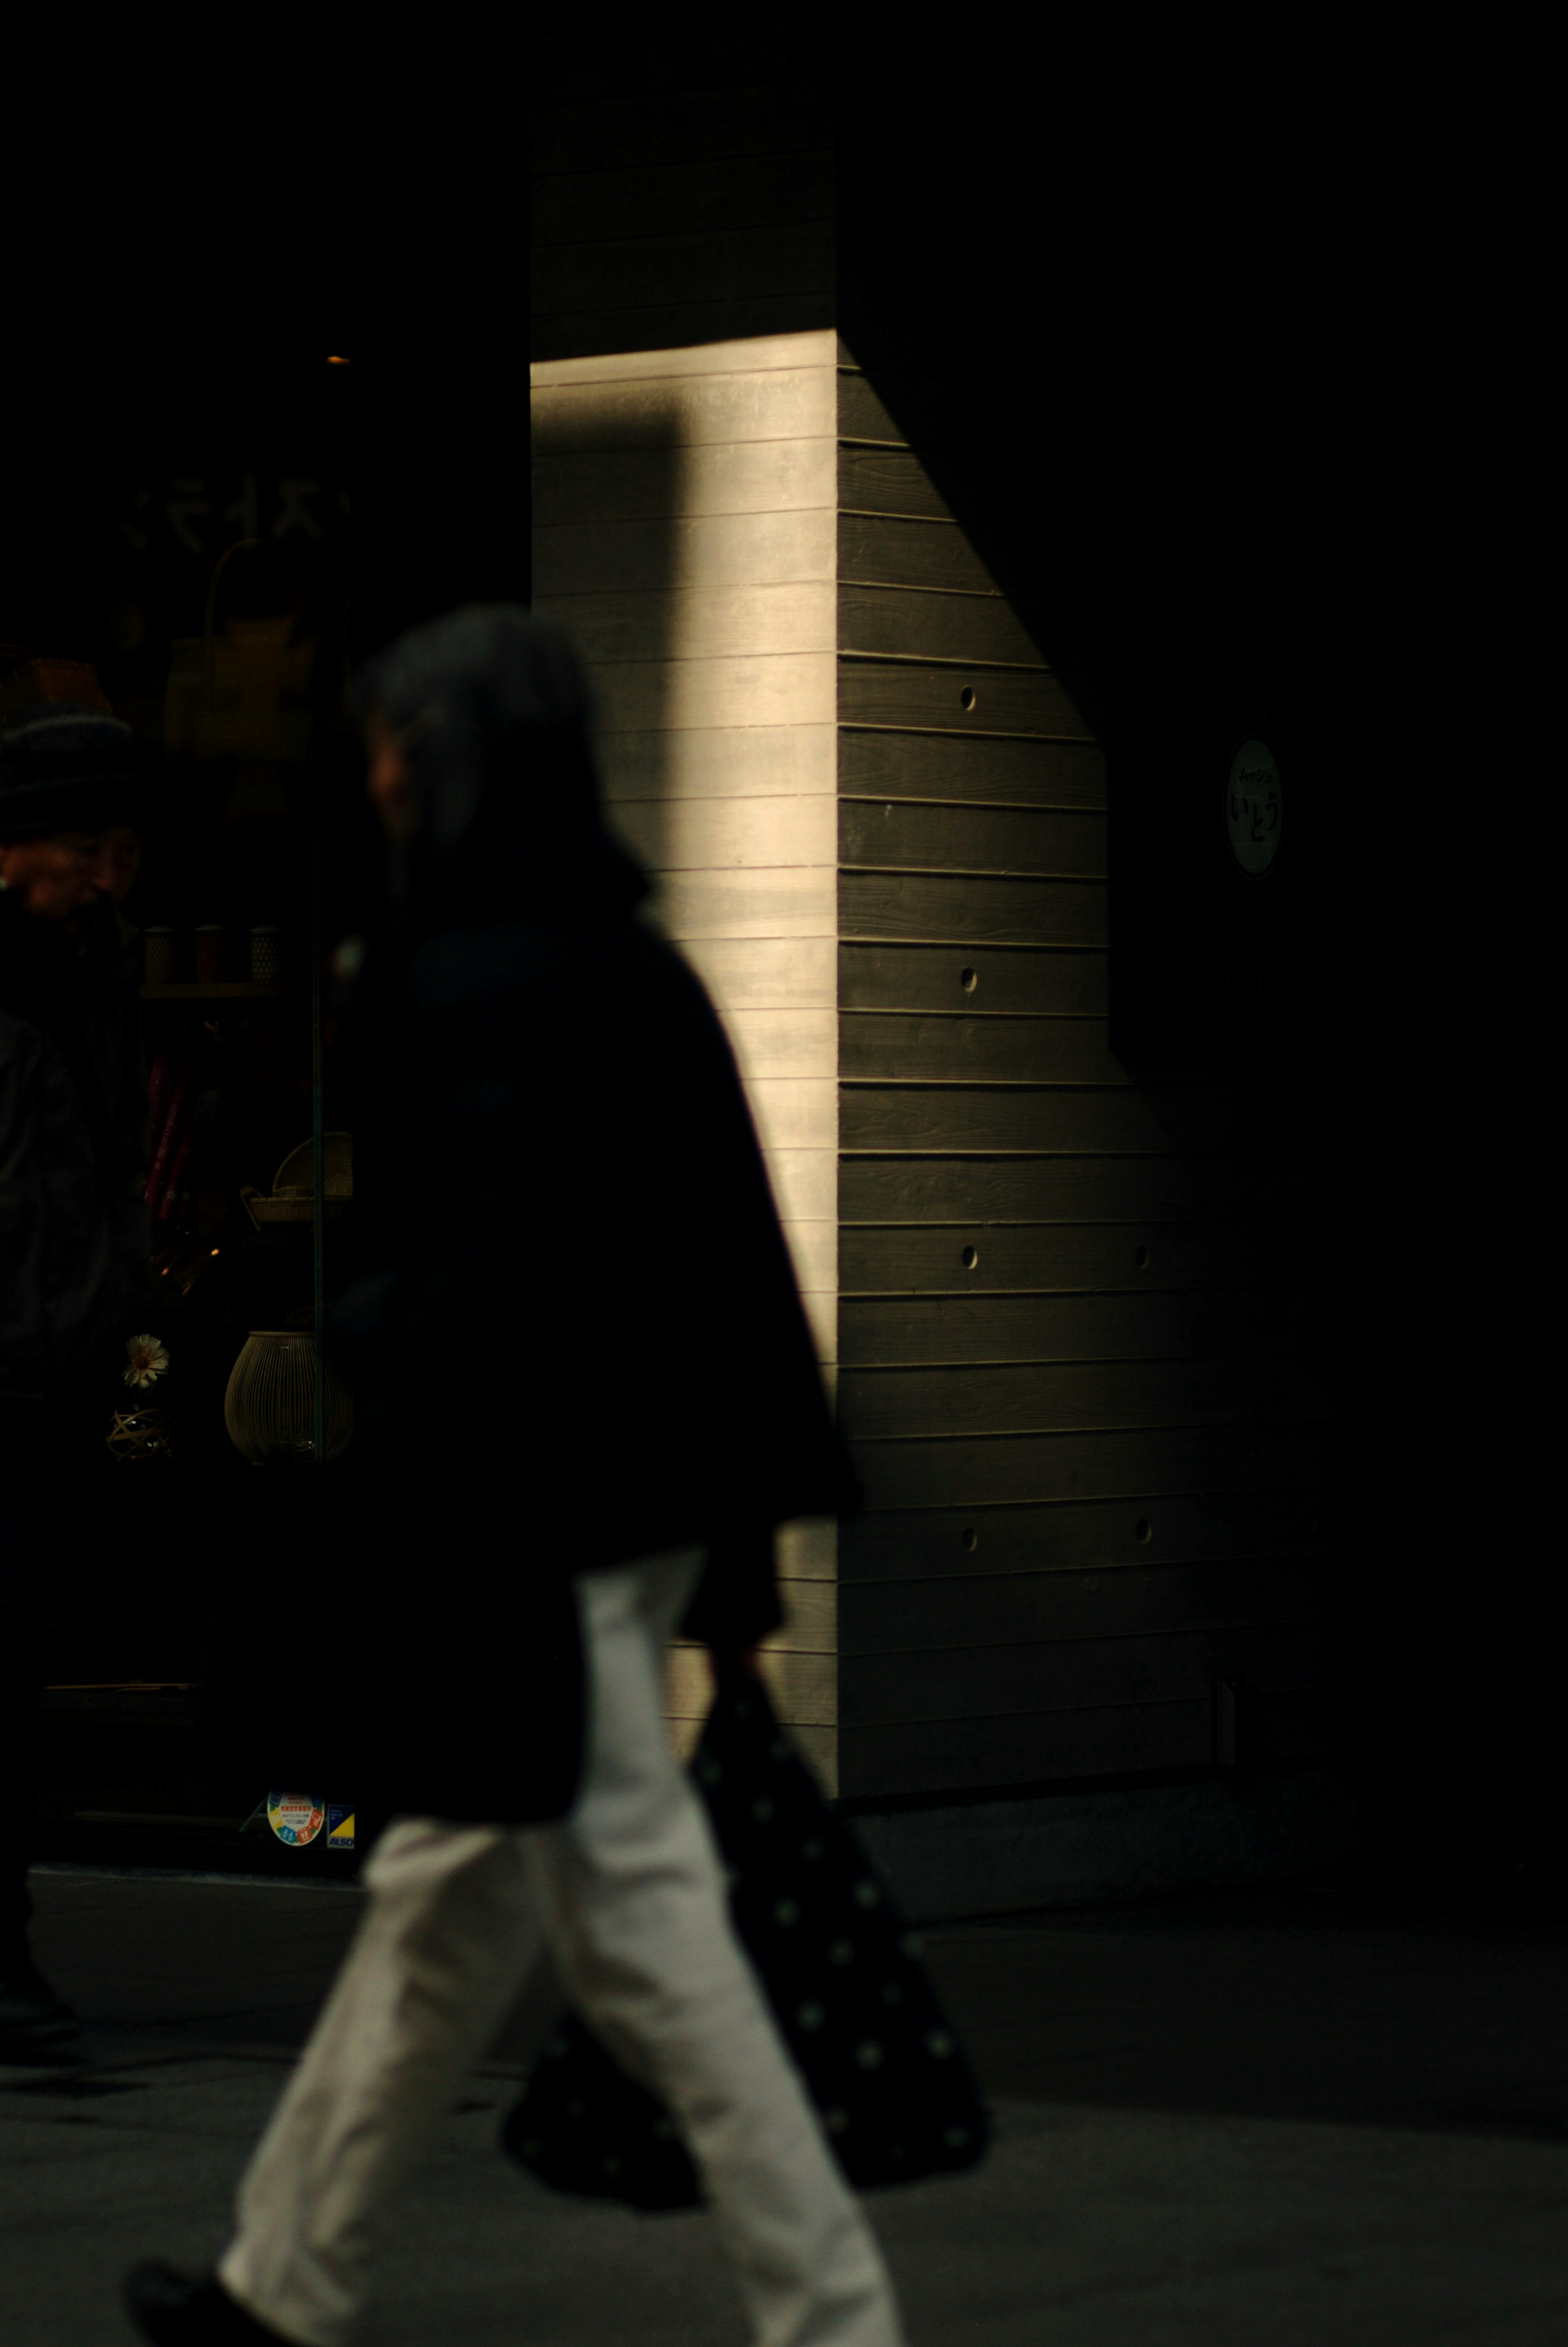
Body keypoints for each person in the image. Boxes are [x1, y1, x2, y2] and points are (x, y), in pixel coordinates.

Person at [127, 608, 908, 2347]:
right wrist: (737, 1587)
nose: (382, 765)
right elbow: (729, 1290)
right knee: (439, 1917)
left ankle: (836, 2317)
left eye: (405, 735)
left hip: (520, 1528)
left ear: (464, 757)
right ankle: (281, 2283)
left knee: (648, 1940)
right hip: (614, 1523)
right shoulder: (633, 969)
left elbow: (494, 1275)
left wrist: (362, 1331)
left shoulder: (469, 973)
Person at [0, 703, 150, 2057]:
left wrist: (112, 1299)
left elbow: (106, 1154)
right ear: (14, 846)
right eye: (90, 849)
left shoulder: (93, 967)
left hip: (48, 1385)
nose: (109, 877)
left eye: (123, 854)